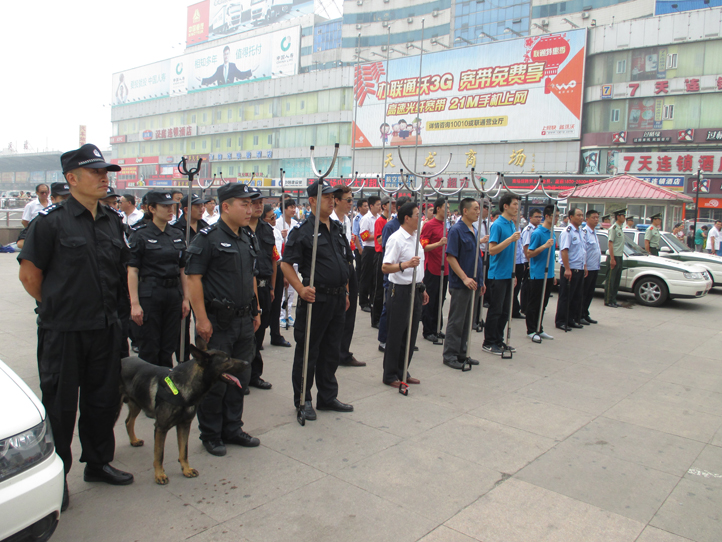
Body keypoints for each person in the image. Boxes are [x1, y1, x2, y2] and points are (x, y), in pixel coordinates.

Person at [18, 144, 133, 511]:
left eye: (106, 172)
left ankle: (98, 463)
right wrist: (57, 306)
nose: (104, 177)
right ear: (72, 178)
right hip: (64, 331)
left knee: (103, 402)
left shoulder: (113, 220)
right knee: (60, 407)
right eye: (96, 172)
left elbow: (118, 274)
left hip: (105, 328)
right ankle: (58, 478)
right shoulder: (50, 221)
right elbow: (30, 275)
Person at [185, 183, 262, 457]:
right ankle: (211, 434)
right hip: (217, 323)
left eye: (251, 204)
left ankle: (233, 428)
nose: (250, 209)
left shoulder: (247, 238)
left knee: (239, 378)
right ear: (226, 206)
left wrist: (256, 310)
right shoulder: (207, 238)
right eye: (244, 204)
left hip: (243, 321)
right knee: (214, 382)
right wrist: (201, 319)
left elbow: (250, 277)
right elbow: (193, 278)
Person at [281, 180, 354, 421]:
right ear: (312, 201)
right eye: (327, 197)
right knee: (308, 351)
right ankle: (303, 399)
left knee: (331, 350)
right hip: (316, 299)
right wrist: (300, 289)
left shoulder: (336, 228)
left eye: (334, 197)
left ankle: (327, 396)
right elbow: (286, 263)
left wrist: (344, 290)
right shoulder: (302, 231)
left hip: (336, 299)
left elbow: (343, 261)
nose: (333, 201)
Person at [127, 191, 190, 368]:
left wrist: (186, 298)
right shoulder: (140, 234)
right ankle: (148, 391)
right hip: (151, 293)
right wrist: (134, 303)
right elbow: (132, 270)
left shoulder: (176, 234)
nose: (170, 210)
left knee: (168, 345)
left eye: (171, 206)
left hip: (173, 294)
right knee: (150, 346)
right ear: (151, 209)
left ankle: (166, 388)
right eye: (165, 206)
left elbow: (182, 268)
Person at [381, 202, 429, 386]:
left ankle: (403, 370)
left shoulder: (416, 237)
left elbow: (420, 267)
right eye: (418, 215)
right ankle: (390, 375)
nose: (420, 218)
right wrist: (405, 265)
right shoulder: (396, 239)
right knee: (396, 334)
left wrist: (422, 288)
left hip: (415, 289)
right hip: (399, 291)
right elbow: (385, 267)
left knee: (410, 333)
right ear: (407, 218)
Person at [443, 198, 485, 369]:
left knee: (468, 320)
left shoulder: (473, 230)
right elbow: (451, 257)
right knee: (457, 320)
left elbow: (476, 259)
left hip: (474, 283)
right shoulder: (456, 230)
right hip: (461, 284)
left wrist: (480, 281)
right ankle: (450, 354)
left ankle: (462, 353)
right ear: (465, 211)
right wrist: (464, 278)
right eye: (475, 208)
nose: (478, 211)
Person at [245, 188, 277, 391]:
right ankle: (243, 374)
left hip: (265, 287)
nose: (258, 206)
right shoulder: (240, 228)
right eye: (253, 202)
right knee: (246, 334)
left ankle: (254, 375)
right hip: (247, 288)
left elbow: (273, 259)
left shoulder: (267, 229)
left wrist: (273, 286)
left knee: (260, 332)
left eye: (260, 202)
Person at [172, 193, 209, 363]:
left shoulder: (206, 228)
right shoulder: (175, 229)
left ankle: (203, 358)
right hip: (183, 282)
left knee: (202, 321)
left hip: (202, 281)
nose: (202, 209)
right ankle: (183, 359)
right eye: (197, 206)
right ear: (186, 209)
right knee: (183, 325)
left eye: (203, 205)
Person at [331, 185, 365, 367]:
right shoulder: (329, 220)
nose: (351, 204)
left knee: (350, 311)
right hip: (337, 270)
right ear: (336, 200)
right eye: (349, 200)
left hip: (348, 265)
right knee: (338, 313)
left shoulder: (346, 220)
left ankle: (343, 352)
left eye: (352, 200)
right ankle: (333, 352)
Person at [482, 193, 520, 356]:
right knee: (496, 309)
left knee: (505, 310)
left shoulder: (511, 224)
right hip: (497, 274)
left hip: (508, 274)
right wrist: (510, 239)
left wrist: (514, 274)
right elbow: (492, 250)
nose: (517, 208)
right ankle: (488, 341)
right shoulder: (497, 225)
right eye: (514, 204)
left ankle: (498, 339)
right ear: (505, 206)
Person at [525, 205, 557, 340]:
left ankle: (539, 327)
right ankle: (531, 330)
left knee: (543, 304)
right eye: (555, 216)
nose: (557, 219)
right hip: (538, 274)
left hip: (548, 274)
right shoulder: (538, 233)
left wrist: (553, 274)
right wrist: (544, 246)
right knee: (535, 303)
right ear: (548, 217)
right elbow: (529, 253)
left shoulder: (552, 232)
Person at [420, 197, 450, 343]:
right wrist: (438, 243)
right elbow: (423, 246)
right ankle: (428, 330)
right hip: (432, 268)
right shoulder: (429, 225)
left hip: (445, 268)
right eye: (447, 208)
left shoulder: (446, 225)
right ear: (439, 209)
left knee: (441, 299)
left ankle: (438, 328)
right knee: (430, 300)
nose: (449, 211)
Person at [555, 208, 587, 331]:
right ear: (571, 217)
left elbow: (582, 251)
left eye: (582, 215)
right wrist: (567, 269)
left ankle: (571, 319)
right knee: (566, 296)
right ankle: (561, 321)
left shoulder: (581, 232)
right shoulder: (567, 232)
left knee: (576, 296)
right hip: (570, 269)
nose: (581, 217)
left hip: (579, 268)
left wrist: (584, 266)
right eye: (578, 215)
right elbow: (564, 251)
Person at [265, 205, 292, 348]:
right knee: (265, 305)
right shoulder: (259, 232)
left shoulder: (276, 231)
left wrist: (284, 275)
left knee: (276, 304)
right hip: (266, 270)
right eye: (271, 217)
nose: (274, 219)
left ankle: (275, 334)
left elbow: (279, 253)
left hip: (278, 266)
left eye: (274, 216)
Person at [16, 182, 71, 250]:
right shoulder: (34, 209)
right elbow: (25, 222)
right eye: (42, 192)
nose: (44, 194)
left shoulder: (78, 218)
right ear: (37, 193)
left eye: (46, 192)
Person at [371, 196, 394, 327]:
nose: (394, 207)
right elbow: (379, 240)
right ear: (385, 206)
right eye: (392, 204)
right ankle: (376, 319)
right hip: (379, 254)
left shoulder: (391, 220)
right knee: (378, 288)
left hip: (387, 255)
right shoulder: (381, 221)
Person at [513, 208, 539, 318]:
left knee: (519, 286)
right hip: (523, 261)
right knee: (521, 287)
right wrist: (528, 262)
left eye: (540, 217)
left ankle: (517, 308)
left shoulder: (518, 227)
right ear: (531, 218)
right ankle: (520, 308)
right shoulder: (528, 229)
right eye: (536, 217)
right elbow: (525, 247)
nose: (539, 219)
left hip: (520, 261)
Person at [276, 198, 299, 327]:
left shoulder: (296, 224)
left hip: (294, 260)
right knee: (282, 288)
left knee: (291, 290)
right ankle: (281, 315)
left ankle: (288, 314)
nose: (293, 209)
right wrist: (280, 234)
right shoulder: (278, 224)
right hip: (284, 261)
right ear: (283, 209)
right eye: (290, 207)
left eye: (294, 207)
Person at [358, 195, 381, 311]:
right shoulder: (366, 219)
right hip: (369, 250)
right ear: (371, 206)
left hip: (377, 249)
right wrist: (378, 237)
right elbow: (364, 236)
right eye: (377, 205)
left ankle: (372, 300)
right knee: (366, 277)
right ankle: (363, 302)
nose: (379, 207)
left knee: (374, 277)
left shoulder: (379, 217)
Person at [580, 210, 601, 325]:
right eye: (594, 217)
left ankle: (585, 313)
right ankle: (580, 314)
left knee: (590, 293)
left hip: (595, 267)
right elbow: (583, 251)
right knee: (584, 292)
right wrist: (585, 266)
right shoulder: (584, 232)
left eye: (597, 217)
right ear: (587, 219)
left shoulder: (594, 232)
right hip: (587, 268)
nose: (596, 220)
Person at [605, 209, 626, 308]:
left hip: (619, 256)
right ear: (618, 216)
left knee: (617, 280)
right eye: (623, 215)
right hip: (614, 256)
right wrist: (612, 258)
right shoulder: (613, 228)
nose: (624, 217)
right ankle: (608, 300)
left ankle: (613, 299)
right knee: (611, 280)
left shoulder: (620, 228)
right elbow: (610, 243)